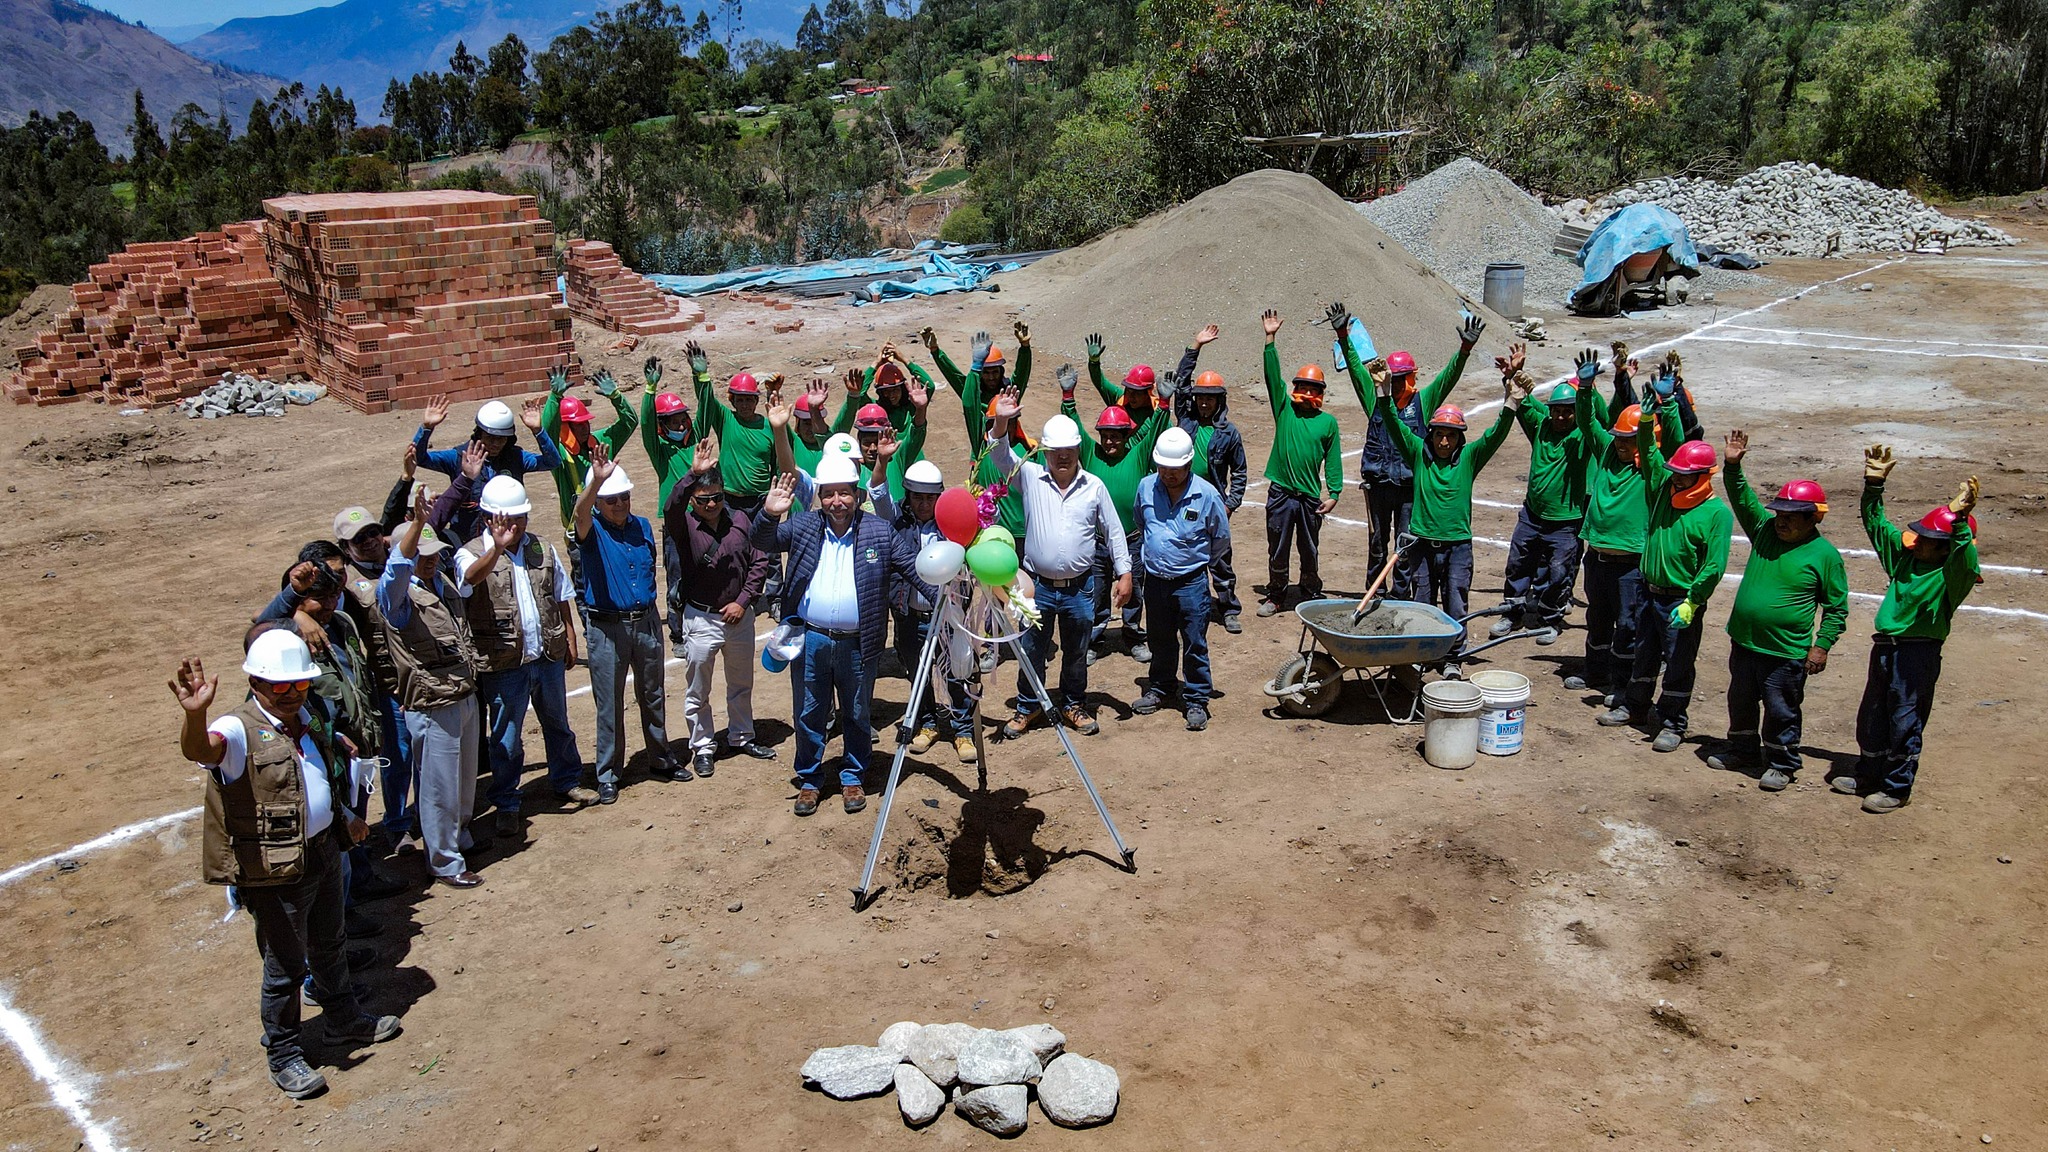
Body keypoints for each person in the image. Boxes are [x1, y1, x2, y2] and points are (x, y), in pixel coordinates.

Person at [171, 631, 402, 1100]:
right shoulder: (237, 729)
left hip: (322, 851)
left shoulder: (308, 720)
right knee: (285, 966)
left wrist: (348, 817)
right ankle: (283, 1052)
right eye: (281, 686)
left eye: (299, 685)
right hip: (275, 872)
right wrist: (195, 716)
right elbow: (202, 751)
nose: (292, 693)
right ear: (256, 682)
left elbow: (324, 776)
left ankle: (342, 1020)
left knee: (331, 943)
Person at [750, 456, 934, 816]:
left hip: (858, 643)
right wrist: (769, 513)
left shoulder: (879, 532)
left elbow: (915, 570)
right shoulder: (803, 526)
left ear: (858, 495)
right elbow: (762, 541)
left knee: (857, 711)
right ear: (819, 496)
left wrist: (949, 599)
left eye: (844, 493)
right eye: (829, 494)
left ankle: (852, 775)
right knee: (809, 712)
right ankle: (809, 779)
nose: (837, 501)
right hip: (810, 640)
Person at [1837, 446, 1981, 813]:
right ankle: (1869, 772)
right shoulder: (1905, 561)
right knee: (1873, 714)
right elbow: (1876, 524)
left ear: (1946, 548)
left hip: (1918, 653)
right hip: (1885, 648)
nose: (1915, 541)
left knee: (1906, 718)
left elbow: (1965, 559)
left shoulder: (1952, 577)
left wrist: (1961, 520)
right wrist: (1873, 485)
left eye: (1927, 539)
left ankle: (1897, 787)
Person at [1704, 430, 1849, 791]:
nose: (1782, 520)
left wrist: (1822, 645)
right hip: (1745, 642)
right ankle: (1742, 751)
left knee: (1781, 709)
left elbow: (1836, 608)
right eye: (1781, 512)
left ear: (1815, 518)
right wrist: (1733, 466)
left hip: (1785, 652)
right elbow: (1743, 501)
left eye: (1793, 515)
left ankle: (1782, 763)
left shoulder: (1825, 557)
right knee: (1740, 702)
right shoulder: (1766, 532)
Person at [986, 391, 1131, 738]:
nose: (1062, 458)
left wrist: (1125, 573)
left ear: (1078, 450)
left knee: (1076, 652)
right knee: (1031, 650)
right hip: (1037, 587)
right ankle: (1028, 706)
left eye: (1068, 452)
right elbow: (1000, 454)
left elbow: (1113, 531)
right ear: (1046, 452)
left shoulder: (1094, 487)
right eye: (1055, 452)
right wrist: (1002, 421)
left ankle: (1072, 704)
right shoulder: (1031, 476)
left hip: (1081, 588)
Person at [1351, 339, 1525, 623]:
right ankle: (1413, 638)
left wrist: (1511, 404)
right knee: (1418, 596)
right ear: (1429, 434)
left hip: (1453, 541)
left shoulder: (1468, 457)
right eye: (1439, 434)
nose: (1444, 441)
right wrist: (1380, 391)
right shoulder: (1419, 453)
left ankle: (1451, 655)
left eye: (1452, 435)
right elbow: (1393, 425)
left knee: (1455, 602)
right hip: (1386, 493)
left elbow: (1494, 435)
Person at [1598, 405, 1734, 753]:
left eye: (1684, 475)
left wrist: (1693, 601)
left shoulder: (1716, 514)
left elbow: (1714, 566)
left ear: (1703, 477)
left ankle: (1673, 722)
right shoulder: (1662, 490)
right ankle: (1635, 707)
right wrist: (1646, 419)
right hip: (1648, 591)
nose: (1676, 478)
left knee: (1677, 663)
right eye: (1674, 472)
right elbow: (1649, 452)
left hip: (1679, 600)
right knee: (1644, 653)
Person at [455, 476, 585, 838]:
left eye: (520, 517)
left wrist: (569, 636)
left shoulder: (541, 548)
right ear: (487, 518)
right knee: (506, 737)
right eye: (506, 518)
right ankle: (507, 801)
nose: (514, 525)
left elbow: (560, 594)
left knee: (558, 722)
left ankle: (566, 779)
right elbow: (468, 582)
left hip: (545, 655)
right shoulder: (470, 552)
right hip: (503, 663)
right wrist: (496, 549)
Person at [376, 489, 486, 887]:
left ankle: (459, 837)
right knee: (438, 785)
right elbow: (396, 572)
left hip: (462, 689)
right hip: (431, 699)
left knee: (463, 776)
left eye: (434, 552)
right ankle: (444, 861)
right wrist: (418, 525)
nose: (432, 558)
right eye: (423, 554)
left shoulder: (440, 582)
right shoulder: (397, 597)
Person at [1338, 305, 1482, 602]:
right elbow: (1354, 369)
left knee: (1405, 545)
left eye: (1403, 378)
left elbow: (1448, 378)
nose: (1398, 384)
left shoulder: (1424, 402)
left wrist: (1464, 350)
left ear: (1412, 378)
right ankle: (1375, 592)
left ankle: (1401, 596)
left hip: (1408, 489)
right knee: (1377, 542)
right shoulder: (1376, 397)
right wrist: (1343, 337)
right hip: (1378, 486)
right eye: (1394, 378)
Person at [1565, 363, 1677, 704]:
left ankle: (1622, 682)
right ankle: (1595, 671)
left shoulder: (1652, 472)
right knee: (1597, 618)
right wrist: (1584, 391)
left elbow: (1672, 439)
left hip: (1630, 564)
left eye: (1628, 441)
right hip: (1597, 558)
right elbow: (1587, 423)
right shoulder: (1608, 453)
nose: (1621, 445)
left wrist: (1667, 404)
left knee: (1629, 625)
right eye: (1619, 439)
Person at [664, 450, 775, 779]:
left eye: (716, 498)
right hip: (701, 618)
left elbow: (759, 562)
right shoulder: (683, 524)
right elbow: (671, 507)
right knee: (698, 689)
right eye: (703, 500)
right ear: (693, 501)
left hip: (739, 617)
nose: (711, 505)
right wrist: (691, 475)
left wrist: (743, 600)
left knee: (741, 683)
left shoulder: (741, 520)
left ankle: (742, 735)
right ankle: (702, 746)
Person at [574, 443, 677, 801]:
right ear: (599, 503)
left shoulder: (644, 527)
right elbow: (579, 514)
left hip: (646, 621)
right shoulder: (592, 530)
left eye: (623, 497)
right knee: (609, 702)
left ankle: (661, 758)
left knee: (652, 694)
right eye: (610, 499)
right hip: (607, 627)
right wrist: (594, 484)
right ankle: (608, 773)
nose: (618, 504)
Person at [1063, 354, 1171, 663]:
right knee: (1096, 591)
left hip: (1131, 538)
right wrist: (1068, 398)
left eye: (1116, 436)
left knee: (1134, 589)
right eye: (1106, 435)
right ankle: (1094, 638)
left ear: (1126, 436)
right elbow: (1074, 430)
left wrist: (1163, 404)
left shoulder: (1138, 456)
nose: (1110, 441)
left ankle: (1134, 635)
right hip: (1096, 540)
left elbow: (1153, 434)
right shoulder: (1092, 454)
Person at [1490, 349, 1594, 640]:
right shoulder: (1541, 426)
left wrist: (1586, 389)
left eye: (1568, 410)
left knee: (1559, 574)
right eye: (1557, 410)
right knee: (1518, 565)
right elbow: (1521, 401)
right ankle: (1512, 613)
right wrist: (1511, 375)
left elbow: (1592, 416)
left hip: (1566, 522)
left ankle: (1551, 619)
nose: (1561, 415)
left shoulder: (1581, 436)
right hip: (1532, 515)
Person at [1132, 428, 1231, 731]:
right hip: (1156, 581)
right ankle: (1161, 687)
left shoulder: (1207, 495)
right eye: (1163, 468)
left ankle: (1197, 698)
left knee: (1194, 642)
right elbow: (1140, 521)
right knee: (1160, 638)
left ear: (1188, 465)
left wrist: (1194, 564)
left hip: (1190, 584)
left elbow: (1221, 539)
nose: (1168, 474)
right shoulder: (1146, 487)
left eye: (1174, 469)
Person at [1256, 309, 1344, 615]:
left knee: (1309, 550)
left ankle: (1309, 591)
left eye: (1313, 389)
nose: (1306, 393)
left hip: (1309, 499)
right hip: (1281, 493)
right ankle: (1276, 593)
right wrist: (1270, 338)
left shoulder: (1328, 423)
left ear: (1320, 393)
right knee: (1277, 548)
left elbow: (1333, 460)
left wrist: (1333, 493)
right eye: (1302, 387)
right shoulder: (1284, 408)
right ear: (1294, 389)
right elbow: (1271, 375)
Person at [891, 459, 978, 761]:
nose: (924, 503)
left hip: (949, 617)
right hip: (910, 615)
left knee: (957, 673)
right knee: (919, 674)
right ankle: (928, 723)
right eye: (918, 497)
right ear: (908, 497)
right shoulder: (898, 526)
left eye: (930, 497)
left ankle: (963, 730)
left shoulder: (953, 526)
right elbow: (877, 495)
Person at [921, 321, 1033, 547]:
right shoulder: (974, 398)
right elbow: (956, 380)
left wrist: (1025, 348)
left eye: (995, 372)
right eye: (986, 372)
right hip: (983, 454)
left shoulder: (1007, 395)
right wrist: (936, 352)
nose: (991, 377)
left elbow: (1021, 377)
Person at [1167, 325, 1247, 633]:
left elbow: (1239, 471)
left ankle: (1228, 607)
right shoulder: (1186, 421)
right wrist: (1195, 347)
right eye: (1200, 397)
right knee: (1184, 552)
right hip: (1183, 499)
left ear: (1220, 401)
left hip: (1214, 505)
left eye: (1209, 398)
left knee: (1220, 558)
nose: (1203, 402)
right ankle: (1184, 605)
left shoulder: (1229, 433)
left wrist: (1231, 503)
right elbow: (1181, 385)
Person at [410, 395, 562, 543]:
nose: (496, 443)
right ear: (479, 433)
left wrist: (538, 430)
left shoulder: (516, 458)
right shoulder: (459, 457)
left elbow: (552, 462)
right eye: (490, 437)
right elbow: (419, 458)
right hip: (467, 542)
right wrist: (427, 428)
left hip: (507, 539)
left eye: (501, 439)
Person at [541, 363, 637, 537]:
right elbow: (546, 432)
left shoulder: (599, 442)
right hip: (580, 531)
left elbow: (629, 422)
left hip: (610, 524)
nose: (585, 427)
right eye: (578, 425)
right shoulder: (559, 454)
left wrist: (616, 397)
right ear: (566, 427)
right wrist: (555, 397)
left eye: (586, 422)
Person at [638, 355, 699, 516]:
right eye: (674, 422)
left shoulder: (694, 440)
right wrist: (650, 389)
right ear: (662, 425)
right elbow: (646, 424)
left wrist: (701, 377)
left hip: (701, 509)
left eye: (683, 420)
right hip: (675, 514)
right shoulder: (660, 451)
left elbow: (706, 408)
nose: (680, 426)